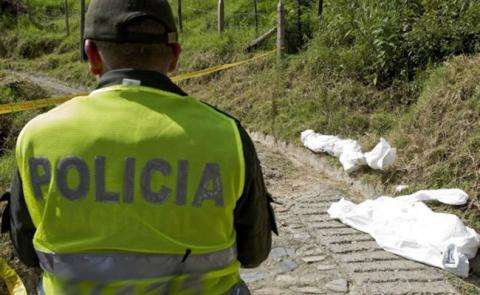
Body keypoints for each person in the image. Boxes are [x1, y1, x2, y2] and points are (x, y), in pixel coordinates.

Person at [0, 0, 277, 294]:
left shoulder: (37, 136)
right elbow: (254, 252)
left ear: (92, 55)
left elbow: (26, 252)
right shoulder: (227, 134)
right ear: (174, 56)